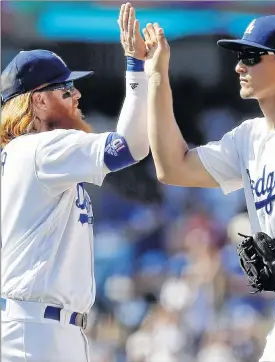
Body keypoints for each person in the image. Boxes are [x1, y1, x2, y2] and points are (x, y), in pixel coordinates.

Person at [145, 15, 275, 362]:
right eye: (239, 57)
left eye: (252, 57)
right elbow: (172, 167)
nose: (239, 66)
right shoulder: (247, 139)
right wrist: (157, 76)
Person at [1, 3, 155, 362]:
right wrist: (136, 67)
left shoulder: (24, 155)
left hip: (37, 327)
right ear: (38, 101)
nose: (77, 96)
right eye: (66, 88)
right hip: (37, 333)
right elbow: (130, 147)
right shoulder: (43, 147)